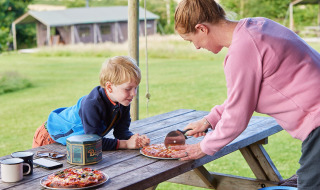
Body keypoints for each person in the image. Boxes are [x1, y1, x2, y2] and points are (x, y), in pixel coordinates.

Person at [171, 0, 320, 189]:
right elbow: (243, 95)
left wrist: (202, 148)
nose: (197, 47)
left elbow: (237, 118)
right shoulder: (257, 25)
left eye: (192, 40)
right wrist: (209, 120)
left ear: (201, 28)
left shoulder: (242, 50)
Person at [32, 56, 150, 150]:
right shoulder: (92, 104)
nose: (134, 93)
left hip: (78, 142)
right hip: (51, 136)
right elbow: (93, 142)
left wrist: (134, 139)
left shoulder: (123, 102)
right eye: (128, 89)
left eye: (136, 88)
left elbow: (121, 132)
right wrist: (126, 144)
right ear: (109, 87)